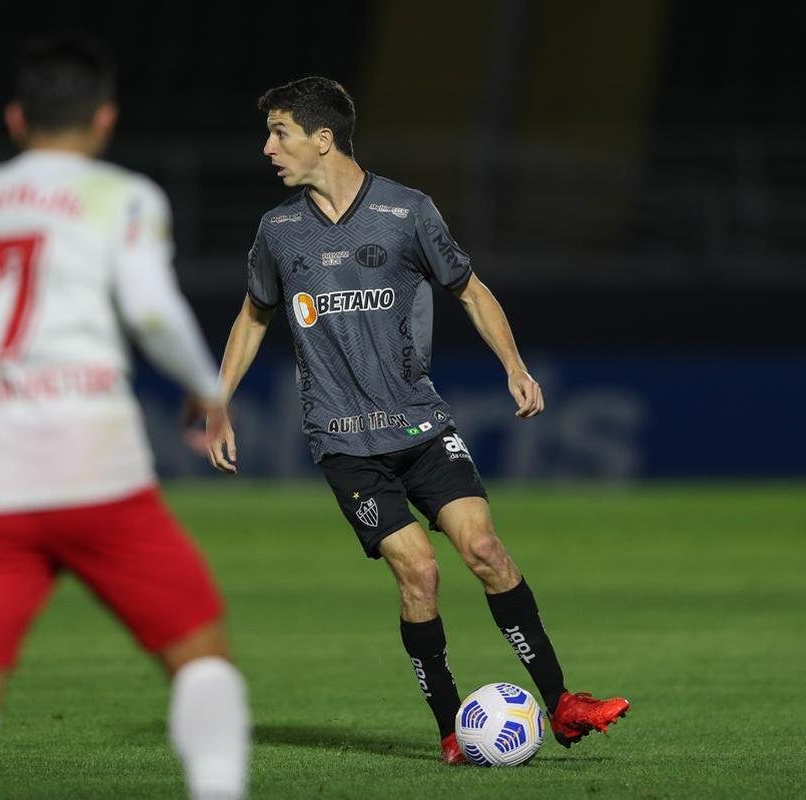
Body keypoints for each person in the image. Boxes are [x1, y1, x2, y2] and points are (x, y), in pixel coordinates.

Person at [207, 76, 628, 765]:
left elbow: (470, 289)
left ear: (322, 138)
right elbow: (254, 314)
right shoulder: (278, 231)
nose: (267, 148)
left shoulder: (407, 212)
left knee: (486, 551)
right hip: (345, 443)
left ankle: (563, 704)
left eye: (278, 132)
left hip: (421, 426)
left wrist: (515, 366)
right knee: (421, 573)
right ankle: (449, 729)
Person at [0, 35, 250, 800]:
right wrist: (205, 388)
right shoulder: (122, 196)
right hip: (101, 477)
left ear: (17, 119)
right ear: (104, 121)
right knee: (202, 658)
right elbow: (153, 311)